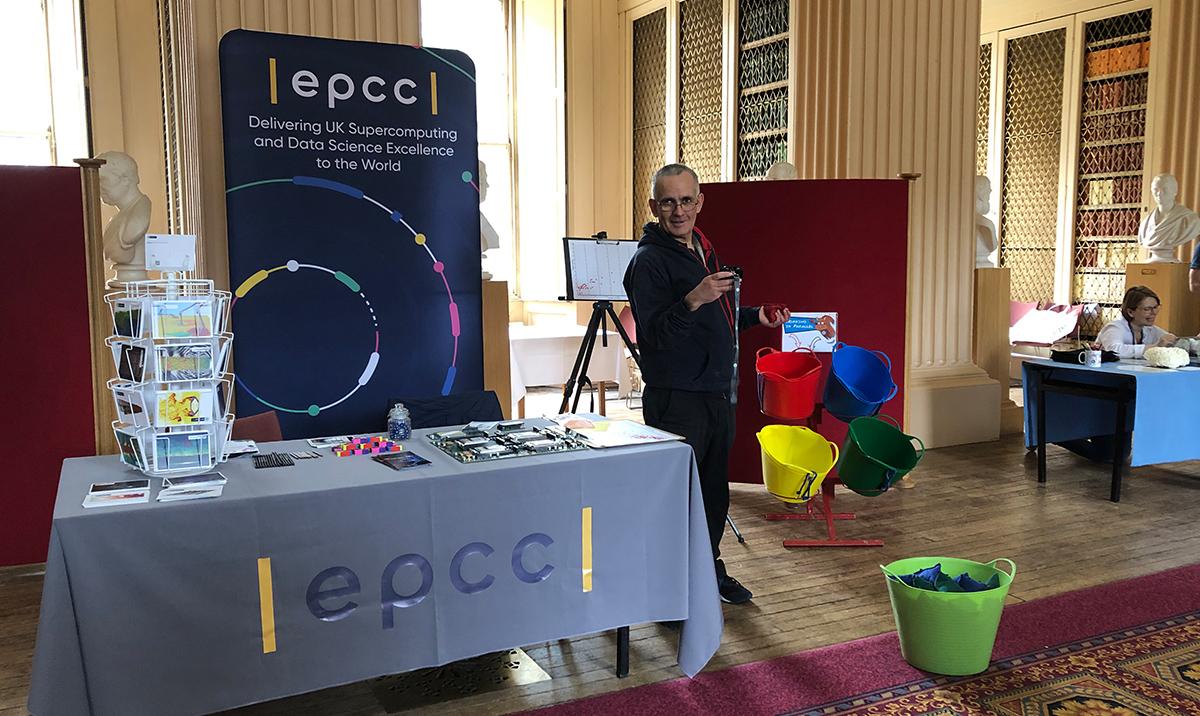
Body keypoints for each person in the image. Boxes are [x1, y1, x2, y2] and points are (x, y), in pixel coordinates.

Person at [623, 163, 790, 605]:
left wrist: (755, 317)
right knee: (677, 500)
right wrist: (693, 298)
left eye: (685, 200)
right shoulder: (648, 262)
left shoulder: (702, 247)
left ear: (700, 202)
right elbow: (654, 337)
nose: (678, 210)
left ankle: (706, 570)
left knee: (714, 494)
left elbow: (715, 319)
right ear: (654, 206)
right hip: (677, 398)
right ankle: (667, 590)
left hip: (717, 394)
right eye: (668, 201)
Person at [1096, 285, 1177, 359]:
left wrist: (1173, 341)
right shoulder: (1115, 328)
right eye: (1147, 309)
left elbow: (1172, 340)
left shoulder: (1149, 329)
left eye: (1155, 307)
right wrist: (1155, 347)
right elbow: (1114, 350)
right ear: (1130, 312)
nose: (1154, 312)